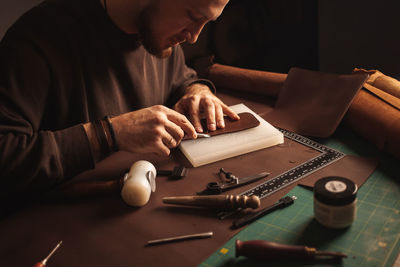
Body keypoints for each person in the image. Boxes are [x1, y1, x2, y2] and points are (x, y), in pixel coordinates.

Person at [0, 0, 239, 201]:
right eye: (193, 16)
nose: (194, 37)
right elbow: (6, 155)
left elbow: (181, 79)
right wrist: (109, 134)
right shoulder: (38, 39)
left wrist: (197, 90)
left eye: (207, 22)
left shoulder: (155, 33)